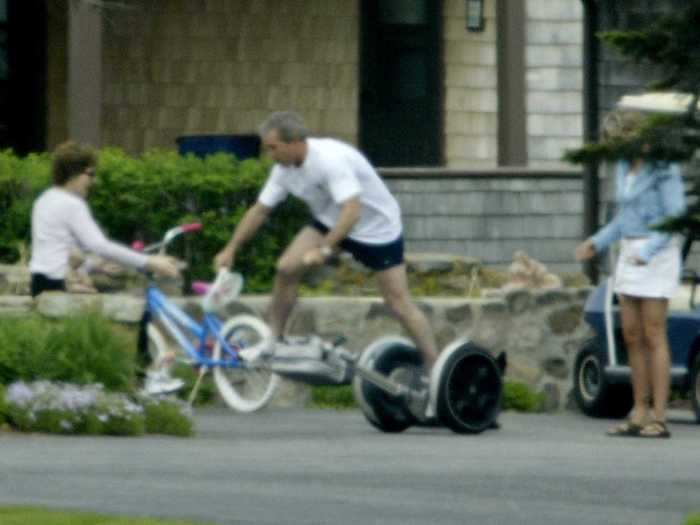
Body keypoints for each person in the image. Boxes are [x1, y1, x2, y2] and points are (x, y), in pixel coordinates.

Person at [213, 111, 439, 377]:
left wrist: (324, 249)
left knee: (397, 302)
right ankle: (273, 341)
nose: (269, 155)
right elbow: (260, 211)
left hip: (377, 228)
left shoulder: (330, 160)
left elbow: (352, 211)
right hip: (331, 219)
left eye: (273, 148)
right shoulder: (282, 170)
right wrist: (231, 248)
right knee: (286, 268)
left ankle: (434, 365)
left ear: (295, 141)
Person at [29, 140, 183, 394]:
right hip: (60, 288)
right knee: (137, 312)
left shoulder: (44, 201)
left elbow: (57, 249)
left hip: (41, 283)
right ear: (74, 173)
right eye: (90, 174)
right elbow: (98, 244)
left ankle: (135, 378)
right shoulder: (71, 204)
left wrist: (92, 267)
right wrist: (149, 261)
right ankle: (142, 379)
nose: (93, 181)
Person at [575, 111, 686, 439]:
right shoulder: (625, 168)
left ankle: (660, 415)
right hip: (628, 252)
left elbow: (675, 216)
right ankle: (638, 410)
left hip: (656, 253)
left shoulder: (665, 169)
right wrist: (596, 242)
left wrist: (648, 251)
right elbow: (624, 219)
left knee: (654, 332)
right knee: (632, 334)